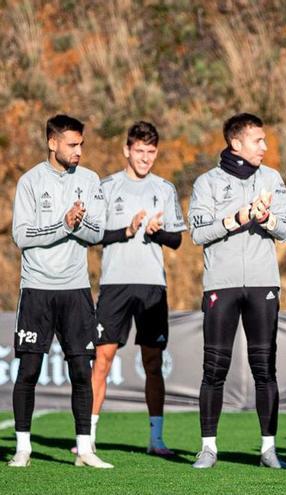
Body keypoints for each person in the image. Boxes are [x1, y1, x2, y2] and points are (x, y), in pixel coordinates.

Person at [188, 113, 286, 469]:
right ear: (236, 143)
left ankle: (268, 449)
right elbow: (198, 233)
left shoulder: (272, 178)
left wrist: (267, 219)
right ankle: (208, 448)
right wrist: (238, 217)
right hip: (221, 284)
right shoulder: (207, 182)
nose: (265, 146)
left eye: (265, 140)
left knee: (265, 368)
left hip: (264, 283)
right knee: (214, 368)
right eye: (258, 140)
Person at [9, 114, 110, 468]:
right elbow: (22, 235)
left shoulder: (91, 179)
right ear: (53, 143)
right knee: (29, 371)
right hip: (37, 289)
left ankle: (85, 449)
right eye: (72, 144)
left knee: (82, 371)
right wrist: (62, 224)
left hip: (76, 289)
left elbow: (98, 233)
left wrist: (77, 224)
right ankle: (23, 448)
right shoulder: (30, 182)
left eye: (81, 144)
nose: (79, 151)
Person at [87, 122, 185, 458]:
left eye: (151, 151)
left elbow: (177, 239)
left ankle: (156, 440)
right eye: (139, 150)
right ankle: (89, 439)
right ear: (126, 150)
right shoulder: (107, 186)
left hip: (152, 286)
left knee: (153, 362)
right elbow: (94, 234)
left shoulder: (165, 188)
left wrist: (156, 232)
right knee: (102, 359)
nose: (145, 157)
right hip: (115, 283)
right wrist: (126, 230)